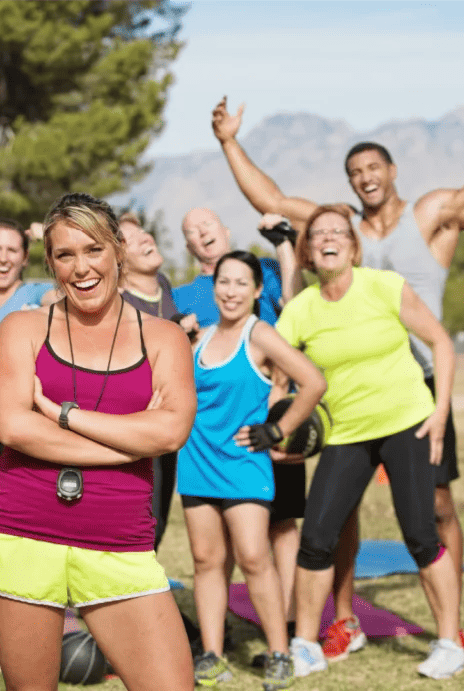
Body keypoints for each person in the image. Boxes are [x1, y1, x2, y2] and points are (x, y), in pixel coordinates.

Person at [212, 61, 464, 663]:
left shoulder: (431, 215)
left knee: (434, 511)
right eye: (354, 171)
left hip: (415, 383)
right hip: (344, 391)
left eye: (373, 169)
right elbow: (273, 200)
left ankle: (450, 627)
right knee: (336, 515)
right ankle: (340, 621)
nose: (364, 178)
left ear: (392, 172)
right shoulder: (333, 228)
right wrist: (230, 142)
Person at [0, 192, 197, 691]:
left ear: (118, 250)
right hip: (22, 536)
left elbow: (172, 431)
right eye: (64, 255)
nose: (81, 267)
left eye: (92, 249)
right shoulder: (21, 328)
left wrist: (64, 415)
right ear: (50, 263)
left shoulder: (164, 337)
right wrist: (131, 442)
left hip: (119, 544)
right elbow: (13, 428)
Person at [276, 205, 463, 679]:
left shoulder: (384, 286)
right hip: (345, 434)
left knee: (421, 533)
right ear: (309, 253)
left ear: (354, 247)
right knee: (317, 537)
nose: (328, 238)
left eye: (339, 231)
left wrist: (439, 413)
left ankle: (448, 641)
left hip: (408, 424)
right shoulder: (299, 311)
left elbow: (441, 342)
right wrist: (278, 431)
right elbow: (279, 381)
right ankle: (304, 646)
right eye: (318, 235)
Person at [178, 250, 327, 691]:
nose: (231, 291)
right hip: (197, 463)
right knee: (206, 561)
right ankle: (212, 654)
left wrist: (276, 430)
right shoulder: (199, 340)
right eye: (224, 281)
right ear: (214, 286)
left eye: (242, 283)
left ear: (258, 290)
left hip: (245, 464)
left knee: (253, 557)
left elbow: (314, 382)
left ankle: (280, 652)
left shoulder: (259, 334)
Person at [173, 207, 305, 634]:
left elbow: (295, 302)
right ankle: (220, 636)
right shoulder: (185, 295)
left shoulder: (262, 268)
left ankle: (285, 625)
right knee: (212, 555)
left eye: (207, 224)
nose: (201, 232)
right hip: (209, 446)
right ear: (190, 246)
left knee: (278, 530)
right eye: (190, 230)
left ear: (224, 230)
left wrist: (284, 242)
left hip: (262, 426)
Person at [0, 218, 55, 675]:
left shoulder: (36, 296)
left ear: (24, 257)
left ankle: (36, 635)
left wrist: (49, 244)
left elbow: (67, 297)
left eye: (12, 250)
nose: (2, 257)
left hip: (20, 436)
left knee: (30, 542)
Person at [117, 212, 198, 550]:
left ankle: (140, 595)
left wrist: (182, 323)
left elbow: (167, 323)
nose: (144, 238)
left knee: (160, 517)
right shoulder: (118, 303)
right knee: (139, 516)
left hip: (169, 416)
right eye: (130, 239)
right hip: (137, 421)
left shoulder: (162, 284)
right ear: (118, 260)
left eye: (143, 233)